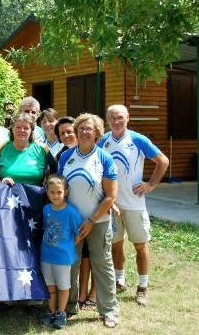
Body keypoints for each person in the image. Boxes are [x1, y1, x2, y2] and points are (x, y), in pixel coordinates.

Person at [99, 104, 169, 306]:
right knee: (116, 244)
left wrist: (151, 184)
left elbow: (162, 161)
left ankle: (143, 286)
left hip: (135, 204)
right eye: (112, 117)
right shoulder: (103, 140)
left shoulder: (137, 139)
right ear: (107, 119)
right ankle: (120, 281)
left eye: (120, 117)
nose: (116, 121)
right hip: (112, 204)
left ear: (127, 118)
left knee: (140, 245)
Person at [57, 113, 119, 328]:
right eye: (81, 128)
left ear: (97, 133)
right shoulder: (66, 157)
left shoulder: (104, 158)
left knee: (102, 264)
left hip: (98, 222)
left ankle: (109, 310)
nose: (84, 132)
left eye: (89, 128)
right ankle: (69, 306)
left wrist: (91, 220)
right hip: (72, 223)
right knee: (70, 265)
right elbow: (60, 189)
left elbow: (111, 196)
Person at [55, 116, 97, 308]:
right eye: (62, 133)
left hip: (93, 214)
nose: (67, 135)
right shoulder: (63, 156)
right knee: (76, 258)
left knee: (93, 257)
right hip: (72, 216)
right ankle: (77, 297)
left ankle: (90, 295)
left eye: (70, 131)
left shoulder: (96, 153)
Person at [40, 175, 83, 329]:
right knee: (50, 285)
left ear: (65, 192)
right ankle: (51, 311)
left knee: (63, 286)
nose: (56, 195)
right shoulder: (46, 209)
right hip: (46, 255)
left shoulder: (71, 211)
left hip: (63, 257)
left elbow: (80, 231)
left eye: (59, 192)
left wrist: (69, 245)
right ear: (47, 192)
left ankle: (61, 313)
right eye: (52, 192)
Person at [0, 113, 56, 187]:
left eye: (26, 128)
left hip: (36, 197)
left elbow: (55, 173)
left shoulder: (43, 149)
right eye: (18, 127)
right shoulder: (0, 149)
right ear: (12, 128)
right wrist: (0, 182)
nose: (22, 130)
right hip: (7, 196)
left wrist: (48, 184)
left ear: (31, 130)